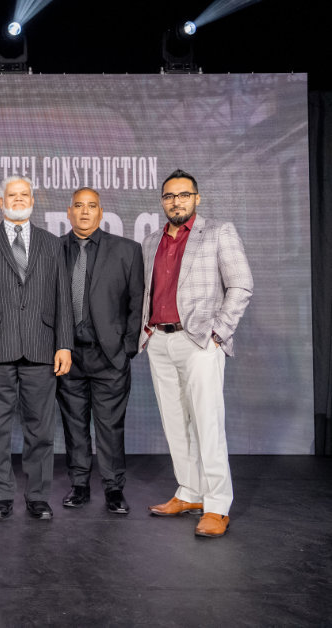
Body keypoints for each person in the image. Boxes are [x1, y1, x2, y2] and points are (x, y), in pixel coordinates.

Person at [139, 169, 252, 538]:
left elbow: (241, 285)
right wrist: (146, 333)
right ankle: (189, 492)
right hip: (159, 340)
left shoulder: (219, 232)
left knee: (207, 424)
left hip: (200, 341)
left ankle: (217, 505)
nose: (177, 202)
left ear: (196, 198)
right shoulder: (151, 241)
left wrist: (218, 333)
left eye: (184, 195)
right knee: (175, 424)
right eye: (170, 196)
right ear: (162, 201)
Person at [0, 175, 73, 520]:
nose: (19, 199)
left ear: (33, 200)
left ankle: (38, 496)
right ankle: (1, 496)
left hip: (42, 347)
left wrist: (64, 344)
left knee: (40, 429)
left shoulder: (52, 244)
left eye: (25, 194)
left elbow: (63, 299)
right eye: (12, 195)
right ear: (1, 202)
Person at [56, 187, 143, 514]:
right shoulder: (53, 250)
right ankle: (79, 484)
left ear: (100, 212)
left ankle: (113, 488)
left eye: (91, 206)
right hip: (68, 355)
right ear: (69, 212)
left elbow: (137, 303)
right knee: (74, 426)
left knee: (110, 427)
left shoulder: (127, 250)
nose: (84, 211)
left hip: (109, 356)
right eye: (78, 206)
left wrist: (127, 348)